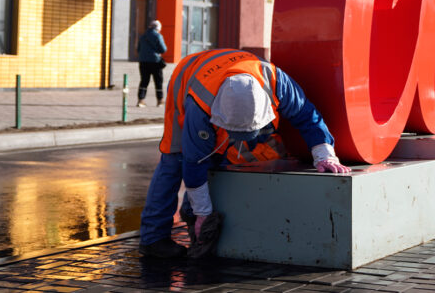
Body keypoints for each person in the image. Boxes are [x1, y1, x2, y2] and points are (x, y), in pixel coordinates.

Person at [138, 48, 351, 258]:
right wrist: (203, 214)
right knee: (175, 160)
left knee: (220, 160)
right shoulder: (199, 106)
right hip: (188, 76)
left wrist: (325, 155)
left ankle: (191, 211)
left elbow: (308, 116)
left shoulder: (277, 82)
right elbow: (194, 162)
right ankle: (153, 238)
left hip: (226, 73)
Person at [136, 20, 168, 107]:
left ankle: (141, 100)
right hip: (155, 61)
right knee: (158, 81)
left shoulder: (143, 36)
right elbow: (163, 49)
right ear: (158, 28)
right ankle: (160, 100)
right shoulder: (158, 36)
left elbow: (138, 49)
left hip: (143, 62)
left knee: (144, 81)